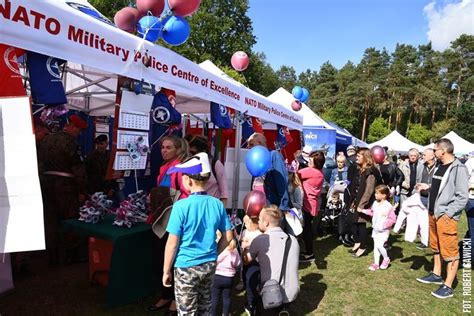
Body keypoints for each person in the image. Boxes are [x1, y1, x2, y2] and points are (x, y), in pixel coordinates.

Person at [163, 152, 233, 315]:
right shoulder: (217, 204)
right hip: (208, 264)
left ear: (187, 179)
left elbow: (172, 244)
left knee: (187, 311)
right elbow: (228, 237)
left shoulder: (180, 206)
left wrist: (166, 270)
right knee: (205, 306)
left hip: (186, 266)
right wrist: (214, 253)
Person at [416, 138, 469, 299]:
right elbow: (441, 186)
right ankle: (436, 273)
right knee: (435, 245)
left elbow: (462, 196)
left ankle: (448, 286)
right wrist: (428, 187)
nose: (433, 152)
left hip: (445, 217)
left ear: (443, 151)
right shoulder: (440, 166)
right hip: (433, 213)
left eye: (435, 149)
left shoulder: (458, 168)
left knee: (450, 251)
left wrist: (448, 214)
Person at [38, 114, 88, 264]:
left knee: (50, 221)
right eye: (78, 130)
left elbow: (39, 164)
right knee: (70, 221)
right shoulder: (71, 143)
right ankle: (71, 256)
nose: (79, 134)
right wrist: (82, 191)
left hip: (46, 185)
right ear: (72, 126)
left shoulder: (46, 140)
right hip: (65, 188)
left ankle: (52, 256)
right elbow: (78, 169)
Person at [148, 135, 189, 314]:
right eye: (163, 147)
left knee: (173, 261)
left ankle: (174, 299)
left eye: (168, 147)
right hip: (162, 221)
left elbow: (186, 195)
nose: (164, 150)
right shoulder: (164, 168)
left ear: (178, 150)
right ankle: (165, 295)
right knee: (161, 258)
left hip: (175, 222)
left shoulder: (180, 170)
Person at [242, 205, 300, 315]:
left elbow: (246, 260)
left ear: (266, 223)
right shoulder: (293, 240)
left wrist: (245, 247)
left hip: (271, 294)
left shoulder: (260, 239)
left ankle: (253, 305)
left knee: (251, 269)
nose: (258, 222)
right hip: (292, 293)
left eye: (259, 219)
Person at [348, 148, 381, 258]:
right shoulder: (360, 170)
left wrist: (361, 205)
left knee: (361, 224)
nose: (356, 157)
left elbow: (369, 191)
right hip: (356, 201)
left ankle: (362, 247)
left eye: (359, 156)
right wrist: (353, 201)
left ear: (365, 157)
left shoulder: (370, 172)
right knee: (353, 223)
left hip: (363, 203)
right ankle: (357, 241)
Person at [248, 133, 290, 212]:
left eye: (251, 144)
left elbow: (282, 182)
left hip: (272, 207)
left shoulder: (274, 156)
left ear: (260, 143)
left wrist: (283, 207)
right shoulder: (255, 158)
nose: (249, 147)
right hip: (258, 206)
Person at [184, 134, 228, 207]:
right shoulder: (186, 165)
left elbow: (224, 194)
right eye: (189, 153)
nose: (191, 156)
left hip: (211, 210)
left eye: (193, 153)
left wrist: (220, 213)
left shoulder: (215, 164)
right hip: (192, 208)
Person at [360, 185, 397, 271]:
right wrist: (363, 211)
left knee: (380, 246)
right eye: (375, 193)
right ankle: (376, 263)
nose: (375, 195)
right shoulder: (375, 203)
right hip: (375, 229)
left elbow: (392, 219)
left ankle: (386, 259)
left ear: (384, 195)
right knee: (376, 247)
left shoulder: (388, 206)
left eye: (377, 193)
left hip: (383, 231)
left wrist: (384, 226)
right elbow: (372, 212)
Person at [297, 150, 325, 262]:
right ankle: (309, 251)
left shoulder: (311, 171)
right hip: (312, 204)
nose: (308, 162)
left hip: (307, 204)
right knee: (307, 228)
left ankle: (309, 254)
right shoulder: (319, 172)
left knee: (306, 229)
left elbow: (295, 174)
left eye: (310, 160)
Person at [211, 236, 241, 316]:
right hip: (229, 278)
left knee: (214, 297)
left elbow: (214, 261)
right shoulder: (234, 251)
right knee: (227, 297)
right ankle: (226, 313)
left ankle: (212, 313)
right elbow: (238, 263)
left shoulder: (220, 250)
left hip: (217, 276)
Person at [240, 214, 263, 311]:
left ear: (254, 224)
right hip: (244, 259)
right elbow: (240, 240)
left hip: (254, 261)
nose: (245, 225)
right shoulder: (245, 231)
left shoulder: (258, 233)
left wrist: (248, 244)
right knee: (245, 276)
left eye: (246, 224)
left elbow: (258, 244)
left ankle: (252, 302)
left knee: (252, 281)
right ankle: (243, 283)